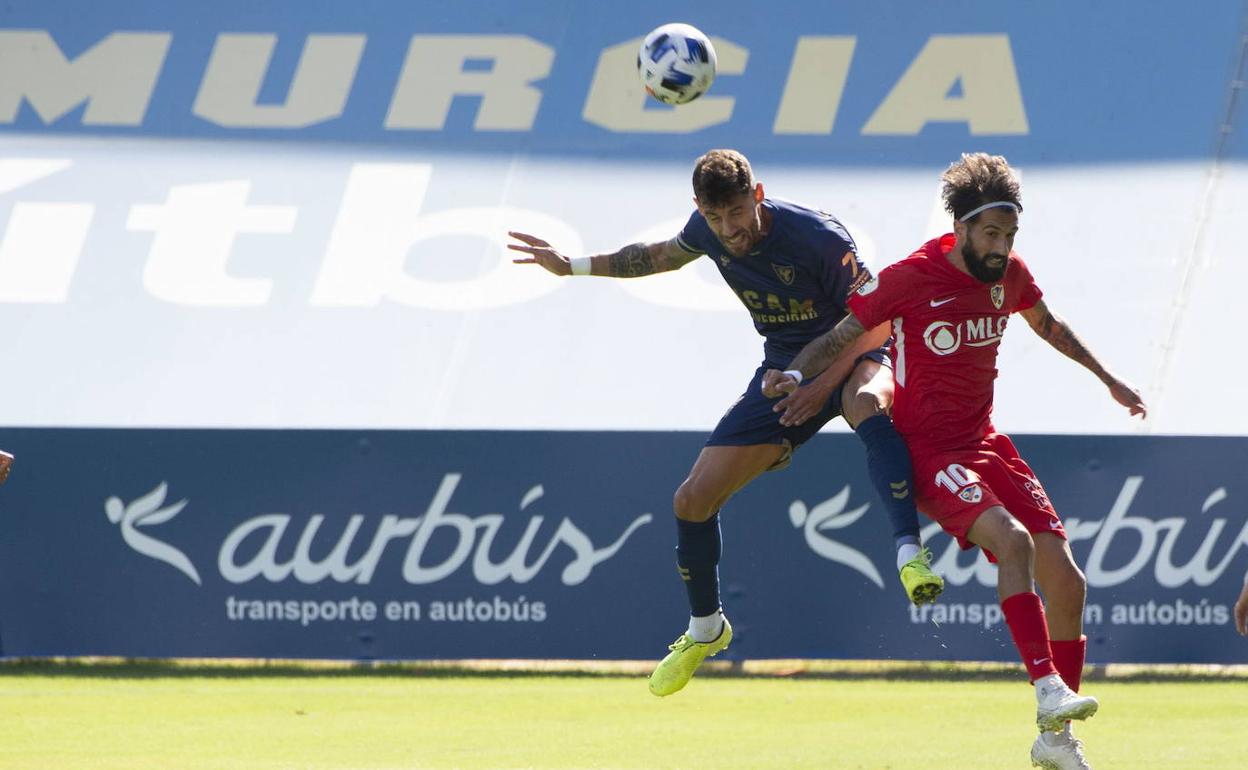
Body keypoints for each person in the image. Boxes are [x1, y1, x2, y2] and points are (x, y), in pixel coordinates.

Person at [510, 148, 943, 697]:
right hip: (783, 371)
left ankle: (910, 552)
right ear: (699, 209)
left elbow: (878, 324)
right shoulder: (708, 231)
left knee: (865, 402)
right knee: (691, 501)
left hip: (859, 352)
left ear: (757, 195)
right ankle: (706, 628)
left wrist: (821, 385)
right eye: (715, 218)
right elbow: (656, 257)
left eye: (737, 212)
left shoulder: (818, 238)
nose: (729, 229)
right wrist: (571, 265)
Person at [763, 153, 1146, 770]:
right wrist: (793, 371)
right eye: (990, 234)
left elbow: (1046, 324)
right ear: (961, 227)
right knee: (1012, 540)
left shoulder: (1009, 273)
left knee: (1069, 580)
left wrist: (1107, 378)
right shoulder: (911, 277)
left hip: (986, 441)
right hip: (929, 448)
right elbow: (843, 334)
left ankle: (1054, 742)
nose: (1000, 246)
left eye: (1009, 235)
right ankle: (1049, 689)